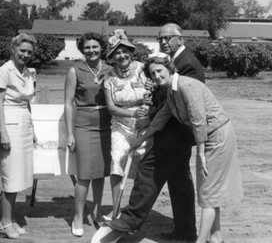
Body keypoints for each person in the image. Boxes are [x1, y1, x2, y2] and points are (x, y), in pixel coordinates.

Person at [99, 23, 205, 242]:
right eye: (160, 39)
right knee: (179, 182)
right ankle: (186, 233)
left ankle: (129, 219)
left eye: (168, 38)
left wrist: (150, 117)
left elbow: (178, 103)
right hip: (172, 129)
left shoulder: (188, 65)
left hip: (175, 131)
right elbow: (162, 93)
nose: (163, 42)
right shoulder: (173, 61)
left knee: (149, 169)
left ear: (180, 39)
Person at [135, 53, 244, 243]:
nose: (156, 77)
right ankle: (216, 237)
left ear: (170, 69)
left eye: (159, 71)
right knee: (210, 191)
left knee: (208, 193)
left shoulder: (186, 85)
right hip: (208, 138)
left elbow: (198, 120)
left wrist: (200, 153)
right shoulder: (171, 91)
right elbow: (160, 119)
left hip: (217, 136)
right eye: (152, 74)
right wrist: (140, 140)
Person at [64, 33, 113, 237]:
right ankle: (78, 216)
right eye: (87, 48)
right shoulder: (75, 70)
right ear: (82, 50)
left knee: (101, 173)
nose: (91, 50)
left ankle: (98, 212)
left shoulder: (111, 70)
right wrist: (69, 134)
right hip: (83, 124)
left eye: (95, 47)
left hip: (106, 124)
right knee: (84, 175)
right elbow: (68, 103)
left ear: (101, 48)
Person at [102, 29, 151, 217]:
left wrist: (145, 110)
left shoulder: (143, 69)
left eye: (124, 51)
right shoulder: (109, 78)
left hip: (144, 124)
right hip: (120, 126)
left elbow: (156, 93)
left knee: (143, 169)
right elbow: (111, 108)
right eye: (117, 53)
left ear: (131, 51)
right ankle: (116, 211)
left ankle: (136, 210)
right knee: (117, 164)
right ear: (112, 57)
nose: (121, 55)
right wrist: (131, 113)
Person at [0, 33, 37, 239]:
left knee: (19, 176)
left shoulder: (28, 72)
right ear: (13, 49)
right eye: (22, 51)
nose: (25, 55)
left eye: (29, 52)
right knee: (10, 176)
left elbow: (28, 103)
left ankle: (10, 219)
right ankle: (4, 222)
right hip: (10, 125)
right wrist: (3, 132)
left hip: (25, 125)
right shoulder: (4, 70)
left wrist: (33, 129)